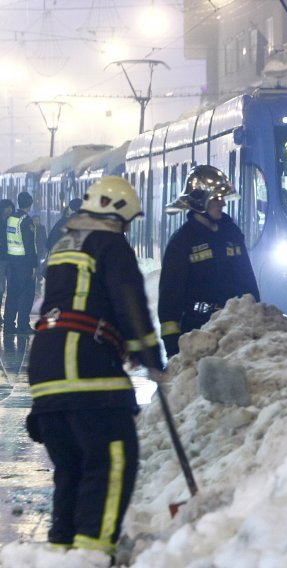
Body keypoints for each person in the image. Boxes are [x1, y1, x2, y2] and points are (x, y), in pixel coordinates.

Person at [26, 176, 164, 563]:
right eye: (127, 222)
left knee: (71, 467)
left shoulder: (63, 244)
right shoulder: (110, 242)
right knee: (113, 458)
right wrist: (150, 355)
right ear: (117, 213)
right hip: (85, 366)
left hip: (46, 367)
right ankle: (92, 556)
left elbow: (80, 300)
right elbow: (128, 298)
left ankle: (62, 551)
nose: (127, 229)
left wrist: (122, 342)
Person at [159, 165, 260, 358]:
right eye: (216, 199)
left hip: (236, 331)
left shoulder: (232, 234)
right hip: (197, 332)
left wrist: (258, 317)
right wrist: (173, 347)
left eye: (222, 198)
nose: (222, 204)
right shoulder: (182, 242)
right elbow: (169, 300)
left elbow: (248, 281)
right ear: (199, 202)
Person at [4, 192, 37, 334]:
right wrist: (34, 265)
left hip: (12, 261)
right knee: (26, 294)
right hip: (24, 263)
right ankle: (23, 325)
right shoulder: (26, 220)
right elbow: (30, 245)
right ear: (30, 204)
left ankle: (9, 324)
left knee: (12, 293)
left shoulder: (11, 218)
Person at [0, 199, 14, 328]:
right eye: (7, 208)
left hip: (9, 258)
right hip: (2, 259)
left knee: (7, 288)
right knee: (1, 288)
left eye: (11, 208)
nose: (9, 210)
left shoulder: (11, 221)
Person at [31, 215, 48, 295]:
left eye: (37, 220)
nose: (36, 221)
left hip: (40, 249)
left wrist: (45, 249)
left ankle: (38, 276)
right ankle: (37, 276)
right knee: (36, 263)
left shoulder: (42, 228)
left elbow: (44, 239)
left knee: (38, 263)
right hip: (33, 250)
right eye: (35, 220)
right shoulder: (31, 228)